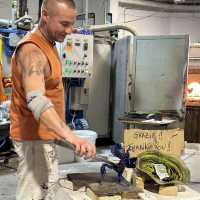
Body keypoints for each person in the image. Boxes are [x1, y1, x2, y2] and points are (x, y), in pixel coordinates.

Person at [10, 0, 96, 199]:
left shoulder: (48, 44)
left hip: (43, 137)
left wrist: (61, 134)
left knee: (46, 189)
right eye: (64, 24)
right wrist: (71, 136)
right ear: (45, 15)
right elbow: (36, 100)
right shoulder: (32, 51)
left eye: (72, 24)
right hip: (33, 140)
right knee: (31, 194)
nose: (69, 31)